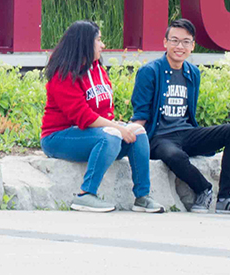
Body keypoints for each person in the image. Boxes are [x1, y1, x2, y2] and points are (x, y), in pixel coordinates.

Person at [131, 19, 230, 215]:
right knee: (174, 154)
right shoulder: (149, 72)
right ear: (165, 42)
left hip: (186, 133)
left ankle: (225, 197)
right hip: (159, 137)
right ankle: (203, 189)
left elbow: (189, 113)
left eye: (186, 42)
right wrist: (132, 138)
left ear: (192, 46)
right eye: (174, 40)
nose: (180, 46)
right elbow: (140, 114)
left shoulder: (192, 72)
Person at [40, 21, 165, 213]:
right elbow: (83, 116)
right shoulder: (63, 74)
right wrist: (118, 128)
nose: (103, 45)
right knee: (113, 134)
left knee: (138, 132)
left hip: (93, 134)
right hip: (58, 137)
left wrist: (122, 127)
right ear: (84, 43)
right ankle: (85, 195)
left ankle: (142, 197)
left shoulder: (97, 68)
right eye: (98, 40)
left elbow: (105, 110)